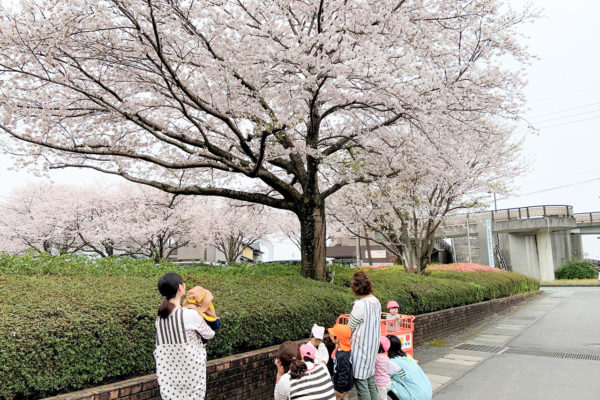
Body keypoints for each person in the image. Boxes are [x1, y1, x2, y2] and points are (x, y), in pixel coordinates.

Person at [154, 273, 215, 400]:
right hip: (191, 374)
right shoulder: (189, 315)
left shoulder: (159, 317)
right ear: (180, 288)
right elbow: (209, 334)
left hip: (168, 375)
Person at [348, 271, 381, 400]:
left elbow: (349, 328)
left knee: (362, 385)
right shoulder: (376, 301)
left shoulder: (360, 305)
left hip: (360, 349)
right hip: (372, 347)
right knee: (370, 380)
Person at [386, 335, 432, 400]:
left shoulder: (392, 363)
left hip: (416, 397)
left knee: (383, 381)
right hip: (427, 393)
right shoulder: (407, 356)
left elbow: (382, 378)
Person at [328, 324, 353, 400]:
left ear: (337, 339)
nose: (330, 336)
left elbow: (343, 374)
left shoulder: (342, 357)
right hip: (346, 383)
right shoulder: (346, 348)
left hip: (342, 385)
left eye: (332, 335)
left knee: (340, 397)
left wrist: (340, 390)